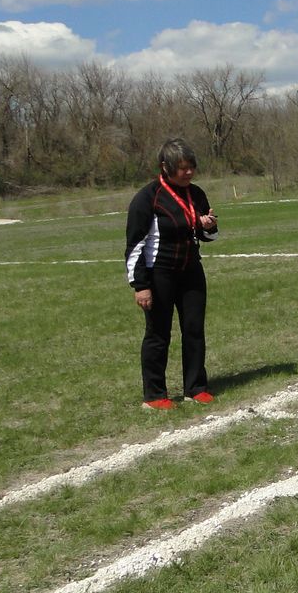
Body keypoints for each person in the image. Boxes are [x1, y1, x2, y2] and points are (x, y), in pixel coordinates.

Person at [125, 138, 219, 411]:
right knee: (158, 334)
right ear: (165, 167)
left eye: (191, 167)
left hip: (190, 271)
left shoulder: (196, 193)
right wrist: (140, 285)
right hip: (159, 274)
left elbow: (207, 235)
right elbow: (134, 246)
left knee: (194, 329)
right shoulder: (147, 198)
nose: (188, 173)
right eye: (182, 168)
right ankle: (154, 396)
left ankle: (196, 388)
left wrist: (208, 226)